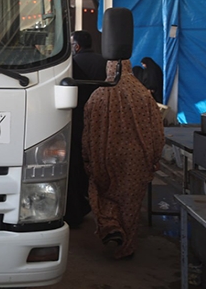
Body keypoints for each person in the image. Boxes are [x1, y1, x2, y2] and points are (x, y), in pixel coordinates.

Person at [82, 60, 165, 259]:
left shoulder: (98, 95)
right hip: (136, 158)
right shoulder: (143, 95)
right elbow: (157, 130)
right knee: (130, 203)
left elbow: (87, 132)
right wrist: (156, 156)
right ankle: (127, 246)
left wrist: (87, 157)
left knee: (104, 193)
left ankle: (111, 226)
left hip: (104, 155)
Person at [65, 30, 107, 228]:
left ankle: (78, 206)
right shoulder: (104, 62)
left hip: (73, 119)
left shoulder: (70, 64)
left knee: (74, 165)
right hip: (100, 121)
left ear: (77, 46)